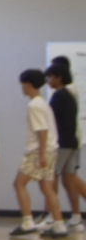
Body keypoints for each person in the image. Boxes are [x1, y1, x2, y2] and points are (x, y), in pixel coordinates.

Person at [10, 69, 66, 239]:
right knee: (47, 187)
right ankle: (59, 225)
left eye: (22, 84)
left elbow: (42, 130)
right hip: (52, 150)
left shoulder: (34, 105)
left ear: (27, 84)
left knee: (19, 184)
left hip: (39, 151)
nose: (22, 88)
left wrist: (41, 154)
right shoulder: (43, 103)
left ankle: (27, 223)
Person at [46, 62, 83, 229]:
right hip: (72, 143)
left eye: (50, 77)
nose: (48, 80)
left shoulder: (58, 96)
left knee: (50, 176)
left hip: (61, 143)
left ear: (58, 78)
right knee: (69, 179)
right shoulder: (69, 95)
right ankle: (76, 217)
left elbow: (51, 121)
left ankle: (54, 216)